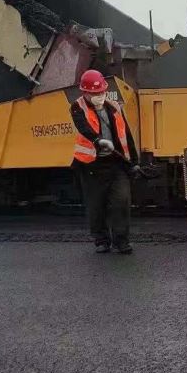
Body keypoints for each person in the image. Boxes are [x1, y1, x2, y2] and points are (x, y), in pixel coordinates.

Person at [70, 70, 141, 254]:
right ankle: (101, 240)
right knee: (96, 205)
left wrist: (134, 161)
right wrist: (98, 140)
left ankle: (121, 242)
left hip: (116, 164)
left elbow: (126, 135)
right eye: (94, 94)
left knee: (121, 201)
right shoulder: (77, 107)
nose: (98, 96)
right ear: (85, 93)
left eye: (100, 92)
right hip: (91, 165)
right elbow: (83, 127)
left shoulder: (114, 107)